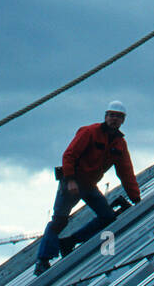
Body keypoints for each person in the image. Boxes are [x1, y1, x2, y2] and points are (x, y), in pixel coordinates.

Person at [33, 100, 141, 276]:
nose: (114, 119)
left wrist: (136, 199)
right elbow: (69, 155)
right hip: (72, 182)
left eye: (118, 117)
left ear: (123, 120)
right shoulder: (89, 132)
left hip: (89, 185)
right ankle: (42, 260)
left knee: (107, 217)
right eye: (111, 115)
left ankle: (70, 241)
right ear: (105, 117)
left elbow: (126, 172)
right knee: (59, 220)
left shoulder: (119, 144)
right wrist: (70, 180)